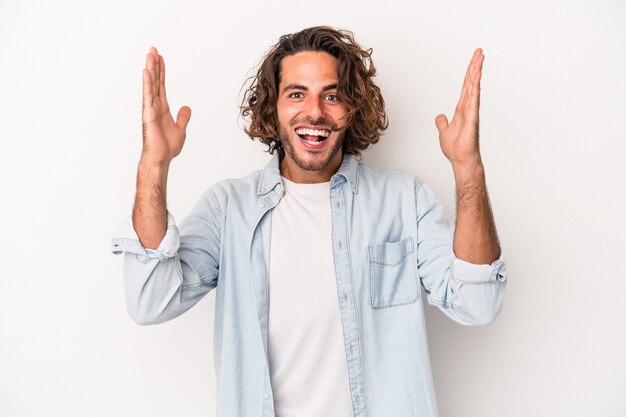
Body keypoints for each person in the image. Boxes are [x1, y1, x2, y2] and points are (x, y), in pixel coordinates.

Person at [111, 26, 506, 417]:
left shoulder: (404, 201)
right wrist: (155, 163)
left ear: (353, 109)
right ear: (273, 107)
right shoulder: (229, 210)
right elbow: (150, 300)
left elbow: (477, 303)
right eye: (296, 94)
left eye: (331, 95)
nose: (314, 111)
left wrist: (467, 166)